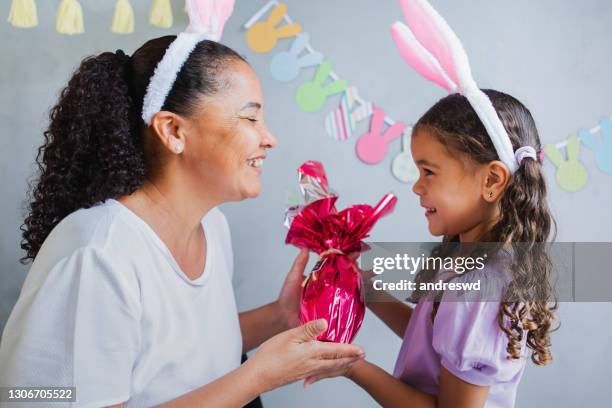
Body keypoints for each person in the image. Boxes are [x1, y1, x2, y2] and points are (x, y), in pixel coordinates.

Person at [0, 35, 364, 407]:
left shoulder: (213, 226)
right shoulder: (98, 256)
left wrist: (281, 315)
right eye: (250, 118)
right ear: (173, 131)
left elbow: (174, 359)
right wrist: (257, 376)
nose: (268, 138)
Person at [338, 90, 557, 407]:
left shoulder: (477, 290)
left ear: (492, 181)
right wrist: (364, 286)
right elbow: (432, 339)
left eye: (428, 171)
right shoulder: (467, 260)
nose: (416, 186)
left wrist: (351, 366)